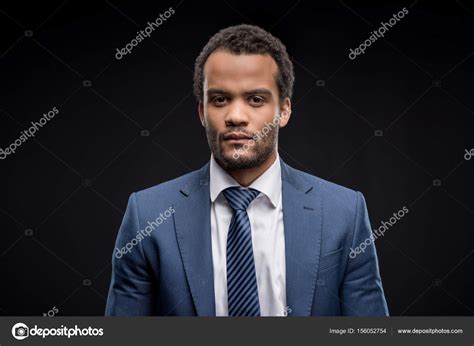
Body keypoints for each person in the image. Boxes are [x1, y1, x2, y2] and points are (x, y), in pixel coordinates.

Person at [105, 24, 389, 316]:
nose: (236, 116)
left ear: (285, 110)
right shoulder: (148, 217)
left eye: (255, 99)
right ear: (202, 112)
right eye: (219, 99)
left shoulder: (344, 214)